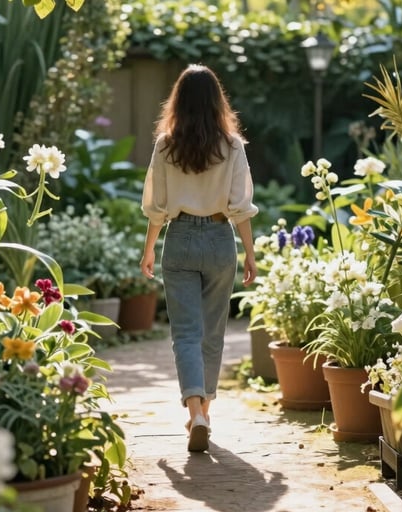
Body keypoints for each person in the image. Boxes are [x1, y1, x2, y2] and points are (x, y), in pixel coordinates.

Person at [140, 64, 258, 452]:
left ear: (178, 102)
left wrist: (149, 249)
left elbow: (157, 206)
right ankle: (204, 412)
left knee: (186, 333)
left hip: (180, 239)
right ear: (216, 101)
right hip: (221, 239)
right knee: (213, 332)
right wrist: (250, 253)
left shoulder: (165, 145)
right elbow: (241, 207)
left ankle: (195, 412)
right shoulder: (233, 146)